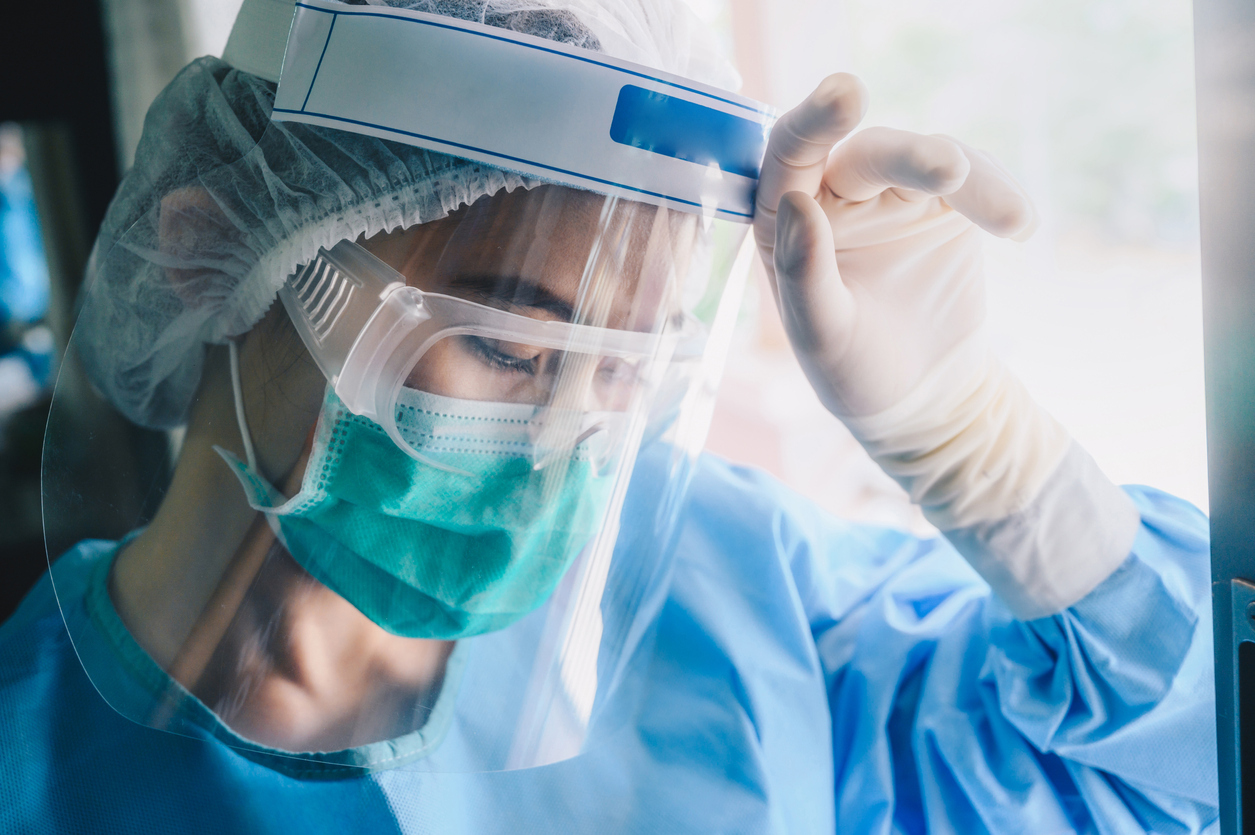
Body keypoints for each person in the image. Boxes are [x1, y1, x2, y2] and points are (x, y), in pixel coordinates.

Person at [0, 0, 1217, 832]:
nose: (563, 447)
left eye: (630, 372)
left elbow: (1184, 777)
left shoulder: (744, 604)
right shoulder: (27, 766)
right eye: (506, 346)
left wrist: (984, 456)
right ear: (216, 252)